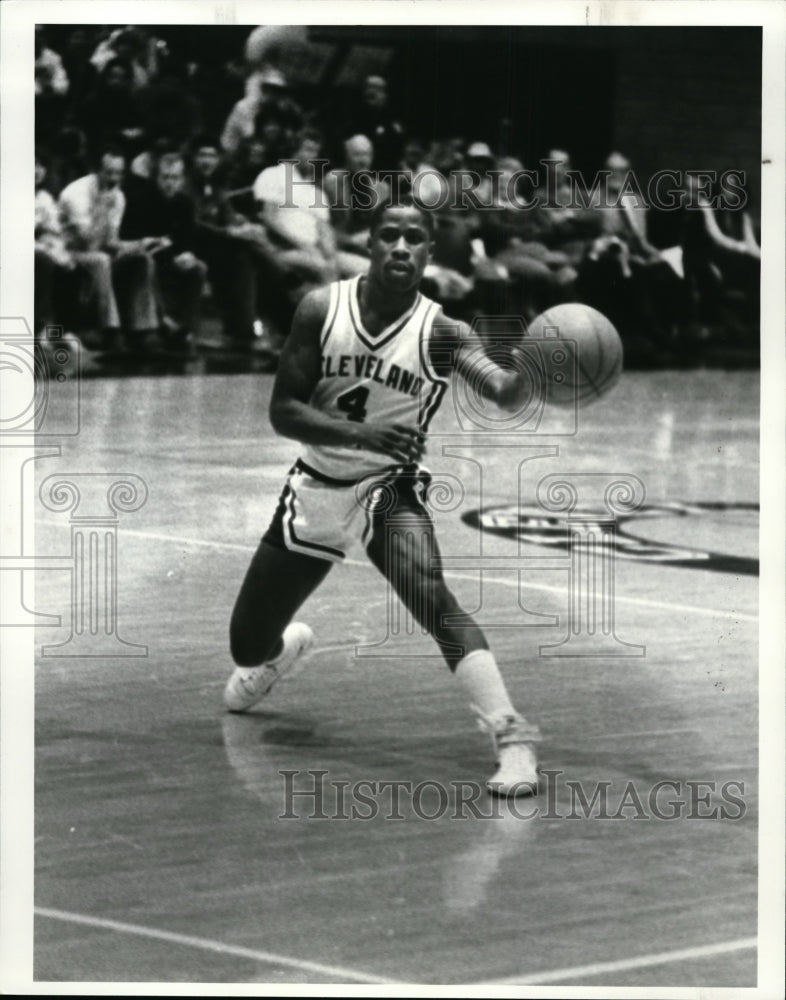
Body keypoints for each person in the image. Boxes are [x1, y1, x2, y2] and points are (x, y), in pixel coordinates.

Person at [224, 196, 543, 797]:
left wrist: (536, 369)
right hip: (317, 484)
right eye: (389, 236)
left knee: (431, 595)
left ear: (428, 250)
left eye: (415, 238)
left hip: (387, 486)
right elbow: (283, 412)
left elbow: (501, 391)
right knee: (245, 646)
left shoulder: (444, 333)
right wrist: (361, 433)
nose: (401, 247)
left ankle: (513, 738)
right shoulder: (321, 307)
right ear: (369, 245)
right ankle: (282, 650)